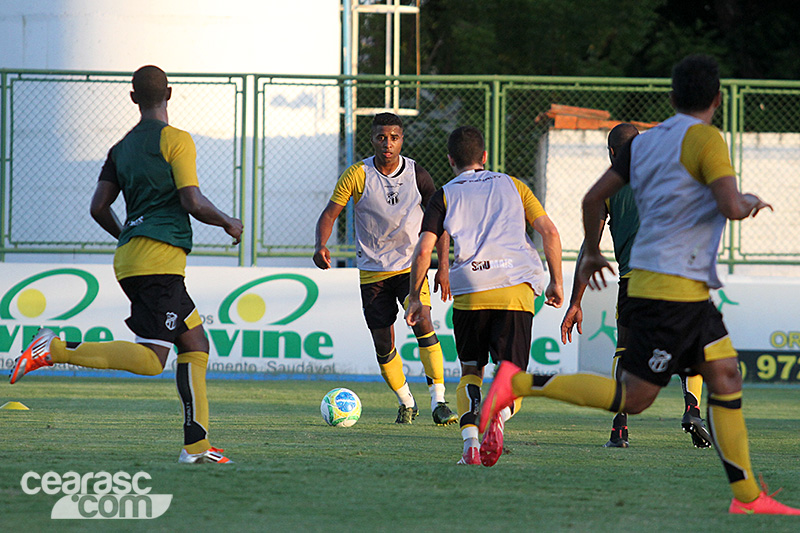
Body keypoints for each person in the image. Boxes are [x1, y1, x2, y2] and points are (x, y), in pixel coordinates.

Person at [481, 54, 800, 515]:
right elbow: (730, 205)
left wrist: (591, 249)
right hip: (670, 290)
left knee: (725, 374)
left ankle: (747, 496)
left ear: (672, 99)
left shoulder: (645, 146)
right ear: (716, 100)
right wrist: (750, 200)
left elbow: (594, 198)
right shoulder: (706, 138)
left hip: (678, 288)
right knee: (636, 396)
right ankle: (518, 383)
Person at [10, 65, 244, 465]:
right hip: (158, 261)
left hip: (133, 255)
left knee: (196, 345)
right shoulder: (177, 140)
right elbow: (192, 200)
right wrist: (228, 221)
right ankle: (54, 349)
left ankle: (197, 447)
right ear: (168, 93)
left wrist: (127, 233)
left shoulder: (120, 149)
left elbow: (98, 207)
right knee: (153, 359)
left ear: (133, 98)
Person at [405, 125, 563, 466]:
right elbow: (549, 231)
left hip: (470, 291)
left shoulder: (444, 194)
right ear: (485, 157)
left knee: (470, 370)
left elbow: (423, 251)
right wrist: (556, 282)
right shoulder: (513, 184)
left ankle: (471, 445)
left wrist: (415, 296)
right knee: (511, 375)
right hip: (515, 289)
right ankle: (498, 419)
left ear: (450, 160)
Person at [561, 123, 711, 449]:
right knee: (690, 347)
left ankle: (619, 427)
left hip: (634, 281)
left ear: (612, 153)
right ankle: (692, 407)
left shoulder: (609, 189)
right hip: (676, 276)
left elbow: (590, 250)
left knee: (625, 348)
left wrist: (576, 302)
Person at [313, 112, 457, 426]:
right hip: (372, 272)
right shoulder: (357, 174)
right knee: (383, 342)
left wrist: (442, 266)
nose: (387, 144)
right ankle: (407, 402)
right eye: (381, 137)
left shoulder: (417, 174)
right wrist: (320, 245)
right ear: (373, 139)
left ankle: (439, 401)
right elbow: (329, 213)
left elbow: (440, 223)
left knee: (424, 324)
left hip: (411, 268)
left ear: (401, 139)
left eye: (394, 137)